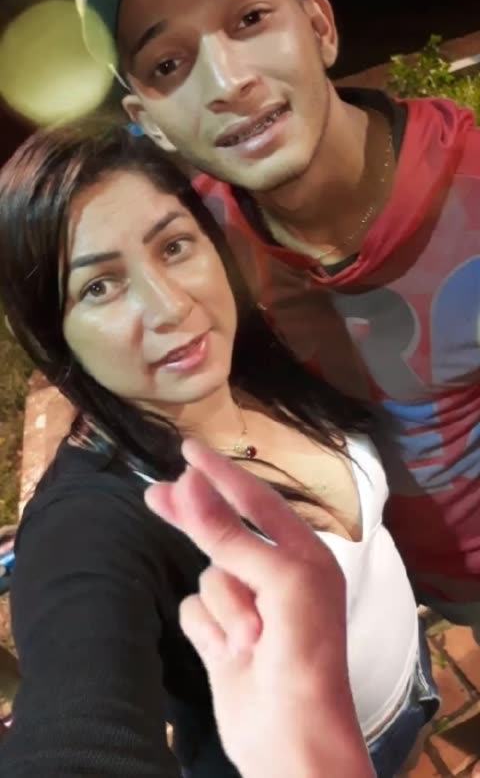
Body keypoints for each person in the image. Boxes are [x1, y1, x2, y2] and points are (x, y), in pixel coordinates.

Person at [76, 0, 480, 637]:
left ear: (320, 25)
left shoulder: (468, 187)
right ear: (150, 123)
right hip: (395, 593)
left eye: (250, 19)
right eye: (168, 63)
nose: (228, 83)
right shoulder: (196, 251)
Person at [0, 122, 437, 776]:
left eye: (174, 246)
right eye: (99, 286)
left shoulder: (262, 359)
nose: (170, 306)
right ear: (54, 334)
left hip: (412, 685)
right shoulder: (92, 522)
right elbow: (78, 724)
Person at [145, 438, 376, 778]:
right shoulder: (97, 513)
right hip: (370, 732)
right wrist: (308, 764)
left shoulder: (315, 405)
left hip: (410, 686)